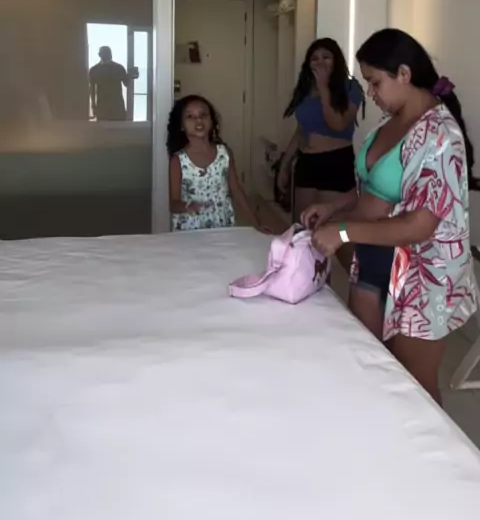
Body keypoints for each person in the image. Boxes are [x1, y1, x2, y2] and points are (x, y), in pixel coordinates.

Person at [302, 28, 477, 404]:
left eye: (375, 82)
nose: (371, 93)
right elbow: (375, 189)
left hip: (421, 279)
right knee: (370, 373)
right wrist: (334, 207)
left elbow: (419, 226)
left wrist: (343, 231)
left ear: (404, 73)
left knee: (415, 390)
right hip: (374, 261)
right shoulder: (392, 122)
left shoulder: (441, 136)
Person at [278, 38, 364, 232]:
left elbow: (339, 125)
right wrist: (284, 164)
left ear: (336, 60)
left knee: (327, 226)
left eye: (326, 57)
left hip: (334, 162)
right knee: (302, 225)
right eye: (315, 58)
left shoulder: (350, 88)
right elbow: (301, 130)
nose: (320, 62)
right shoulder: (306, 90)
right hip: (306, 162)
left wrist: (324, 89)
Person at [167, 94, 266, 232]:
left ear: (212, 120)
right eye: (190, 116)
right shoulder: (178, 161)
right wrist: (188, 206)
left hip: (222, 225)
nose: (199, 120)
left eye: (203, 115)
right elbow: (173, 204)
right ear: (181, 126)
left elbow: (237, 190)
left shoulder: (224, 154)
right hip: (189, 230)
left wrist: (257, 224)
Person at [89, 46, 137, 121]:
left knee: (113, 127)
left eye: (108, 53)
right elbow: (92, 89)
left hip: (113, 106)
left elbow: (126, 83)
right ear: (100, 55)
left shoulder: (95, 70)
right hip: (107, 106)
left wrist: (131, 76)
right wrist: (93, 106)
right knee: (111, 127)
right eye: (106, 53)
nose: (108, 55)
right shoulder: (118, 68)